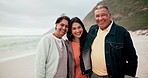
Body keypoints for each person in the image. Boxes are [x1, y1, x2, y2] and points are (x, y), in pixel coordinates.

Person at [80, 5, 138, 78]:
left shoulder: (122, 32)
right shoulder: (92, 29)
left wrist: (129, 76)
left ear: (109, 15)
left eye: (103, 15)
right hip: (94, 75)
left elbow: (132, 57)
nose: (100, 18)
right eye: (97, 16)